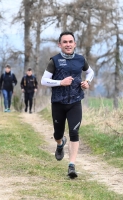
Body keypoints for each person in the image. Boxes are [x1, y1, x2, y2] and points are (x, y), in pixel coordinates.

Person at [40, 31, 94, 179]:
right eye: (65, 42)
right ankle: (60, 143)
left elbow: (90, 73)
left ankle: (71, 165)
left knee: (74, 133)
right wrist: (60, 83)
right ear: (60, 45)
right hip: (58, 103)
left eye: (70, 42)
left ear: (75, 44)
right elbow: (43, 81)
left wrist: (87, 82)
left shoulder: (80, 59)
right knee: (58, 133)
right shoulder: (55, 61)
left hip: (75, 102)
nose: (68, 44)